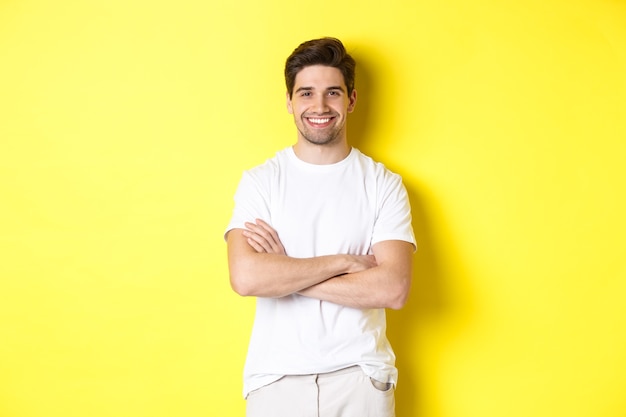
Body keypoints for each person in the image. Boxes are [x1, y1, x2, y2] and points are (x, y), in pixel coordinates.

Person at [224, 37, 416, 417]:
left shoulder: (383, 183)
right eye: (306, 93)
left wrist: (285, 273)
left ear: (352, 100)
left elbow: (393, 288)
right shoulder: (261, 181)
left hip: (360, 378)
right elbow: (246, 278)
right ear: (289, 102)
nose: (320, 106)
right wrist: (346, 262)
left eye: (332, 92)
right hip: (275, 380)